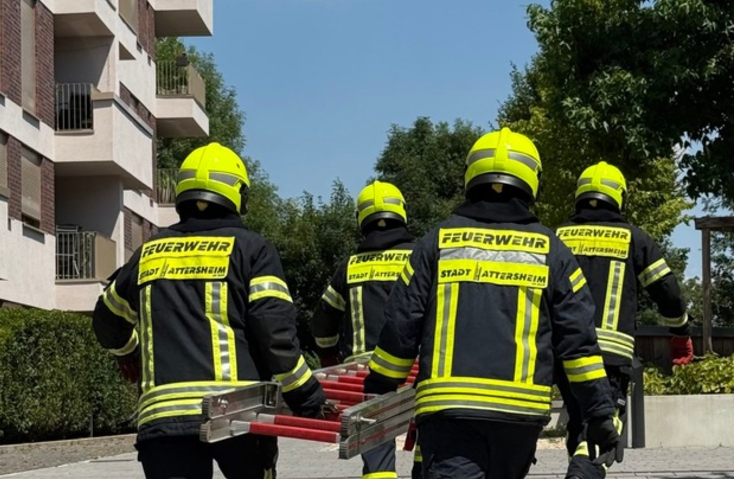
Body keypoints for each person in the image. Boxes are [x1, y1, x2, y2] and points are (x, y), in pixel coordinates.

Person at [363, 128, 621, 479]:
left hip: (449, 415)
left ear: (471, 176)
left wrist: (381, 384)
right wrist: (600, 413)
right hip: (520, 417)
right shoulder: (552, 251)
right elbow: (578, 345)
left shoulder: (436, 242)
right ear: (532, 181)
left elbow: (400, 325)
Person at [92, 142, 327, 479]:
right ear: (237, 194)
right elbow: (274, 336)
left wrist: (130, 354)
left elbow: (106, 320)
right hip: (238, 414)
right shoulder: (252, 250)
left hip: (165, 421)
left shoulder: (148, 253)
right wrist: (308, 397)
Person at [555, 161, 693, 479]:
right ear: (620, 198)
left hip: (563, 356)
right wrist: (680, 332)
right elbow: (667, 291)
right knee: (603, 431)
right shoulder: (633, 239)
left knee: (580, 421)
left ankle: (579, 465)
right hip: (609, 358)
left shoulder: (555, 237)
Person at [312, 180, 416, 479]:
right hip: (417, 368)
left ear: (362, 218)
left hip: (364, 375)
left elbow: (322, 320)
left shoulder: (350, 266)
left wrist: (329, 359)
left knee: (376, 451)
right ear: (401, 214)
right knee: (430, 435)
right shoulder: (420, 256)